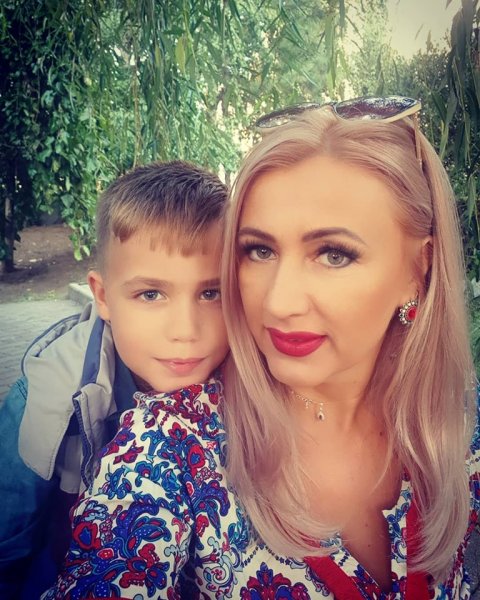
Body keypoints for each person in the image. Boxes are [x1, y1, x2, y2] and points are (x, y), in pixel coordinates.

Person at [43, 97, 480, 599]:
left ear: (417, 270)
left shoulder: (457, 419)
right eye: (259, 250)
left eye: (333, 254)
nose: (278, 302)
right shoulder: (170, 444)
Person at [0, 160, 229, 598]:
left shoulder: (254, 385)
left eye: (210, 293)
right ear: (103, 296)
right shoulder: (47, 398)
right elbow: (7, 553)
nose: (185, 330)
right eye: (151, 294)